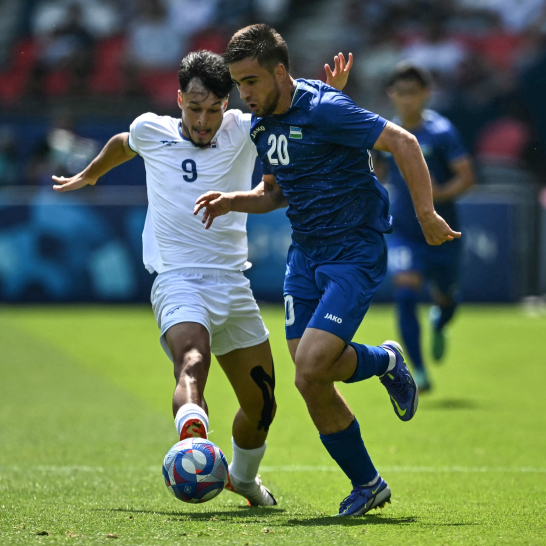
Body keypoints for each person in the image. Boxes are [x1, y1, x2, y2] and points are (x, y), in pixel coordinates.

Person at [51, 49, 351, 507]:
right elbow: (121, 143)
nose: (204, 120)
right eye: (195, 108)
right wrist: (89, 176)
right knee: (192, 358)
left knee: (263, 404)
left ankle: (243, 480)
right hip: (177, 279)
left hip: (233, 283)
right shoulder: (152, 129)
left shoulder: (244, 128)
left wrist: (333, 96)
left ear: (227, 106)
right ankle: (192, 435)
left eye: (213, 109)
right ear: (178, 101)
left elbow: (291, 119)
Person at [194, 24, 460, 517]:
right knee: (312, 374)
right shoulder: (261, 124)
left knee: (309, 370)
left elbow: (403, 142)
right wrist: (235, 200)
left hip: (353, 252)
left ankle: (381, 392)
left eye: (250, 81)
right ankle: (380, 396)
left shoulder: (326, 108)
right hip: (306, 255)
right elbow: (276, 191)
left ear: (278, 71)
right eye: (238, 84)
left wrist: (425, 214)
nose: (243, 95)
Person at [381, 63, 474, 391]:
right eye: (400, 93)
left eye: (413, 93)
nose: (406, 100)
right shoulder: (387, 134)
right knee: (405, 293)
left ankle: (442, 318)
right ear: (392, 95)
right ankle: (418, 373)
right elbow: (378, 173)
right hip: (405, 232)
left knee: (446, 299)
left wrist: (439, 193)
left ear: (426, 94)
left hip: (442, 231)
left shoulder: (442, 132)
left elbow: (467, 176)